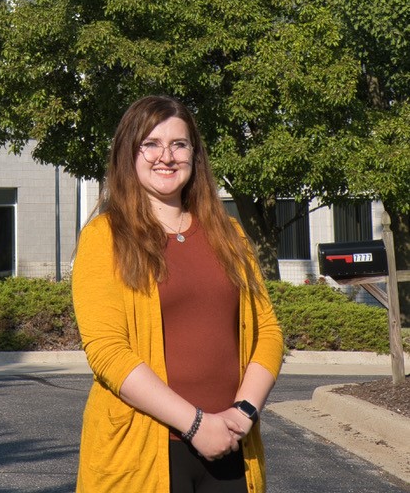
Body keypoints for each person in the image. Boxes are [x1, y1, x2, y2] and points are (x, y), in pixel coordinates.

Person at [72, 95, 283, 493]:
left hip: (230, 444)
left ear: (194, 155)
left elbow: (267, 331)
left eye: (178, 144)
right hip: (141, 450)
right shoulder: (105, 237)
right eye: (150, 144)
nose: (165, 156)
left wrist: (243, 413)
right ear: (128, 155)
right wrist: (196, 424)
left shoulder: (229, 234)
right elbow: (107, 351)